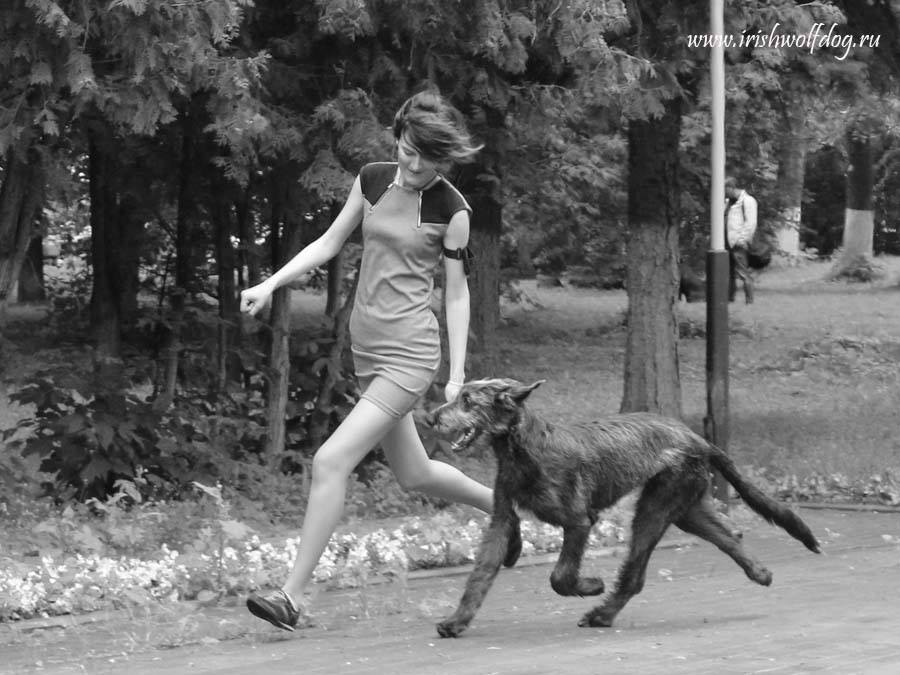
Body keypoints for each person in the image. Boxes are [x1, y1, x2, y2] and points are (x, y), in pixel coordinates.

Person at [239, 91, 520, 631]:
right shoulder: (371, 179)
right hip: (366, 349)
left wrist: (456, 374)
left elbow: (457, 294)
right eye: (407, 150)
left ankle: (291, 598)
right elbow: (328, 241)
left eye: (427, 159)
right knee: (415, 476)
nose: (414, 165)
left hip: (411, 355)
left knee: (330, 461)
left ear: (445, 160)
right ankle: (503, 508)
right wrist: (270, 283)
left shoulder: (451, 210)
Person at [724, 177, 758, 304]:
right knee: (729, 274)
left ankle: (749, 301)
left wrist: (742, 239)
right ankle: (729, 299)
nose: (724, 193)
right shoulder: (728, 202)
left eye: (726, 190)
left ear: (732, 188)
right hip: (727, 243)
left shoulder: (748, 201)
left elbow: (751, 223)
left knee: (743, 273)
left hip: (739, 243)